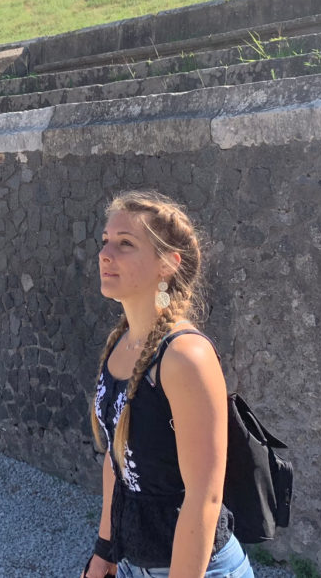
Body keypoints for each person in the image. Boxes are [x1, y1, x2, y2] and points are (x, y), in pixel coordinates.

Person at [82, 191, 254, 578]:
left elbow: (204, 498)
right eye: (106, 241)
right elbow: (117, 462)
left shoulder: (185, 357)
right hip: (131, 562)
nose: (105, 254)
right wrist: (104, 552)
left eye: (125, 244)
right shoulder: (121, 344)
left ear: (167, 265)